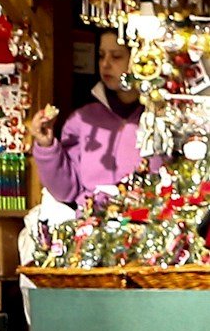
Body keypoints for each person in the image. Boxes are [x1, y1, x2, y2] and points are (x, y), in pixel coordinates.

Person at [31, 29, 147, 205]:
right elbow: (65, 190)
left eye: (116, 56)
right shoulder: (83, 119)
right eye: (101, 56)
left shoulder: (159, 118)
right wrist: (46, 146)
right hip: (91, 223)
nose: (106, 64)